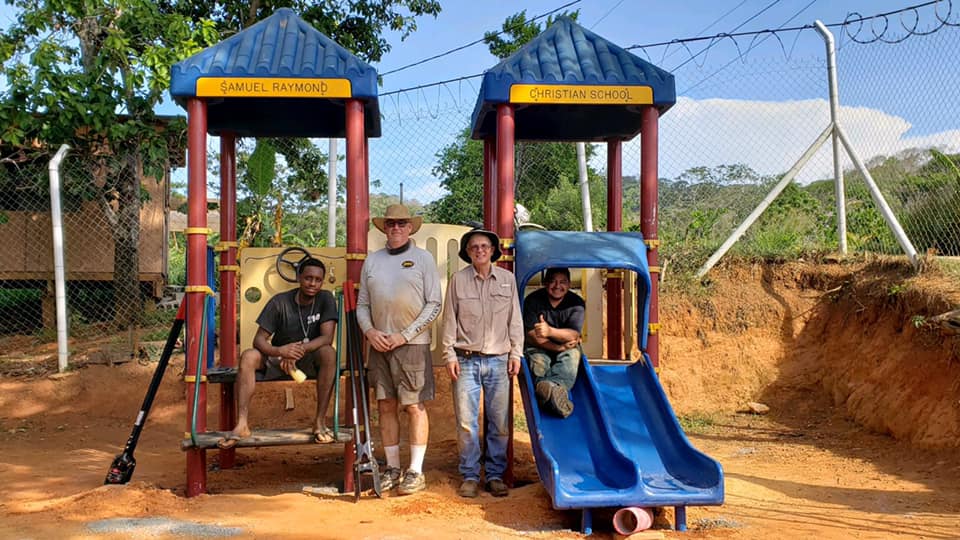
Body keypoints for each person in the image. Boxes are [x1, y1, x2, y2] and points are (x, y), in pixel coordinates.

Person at [357, 204, 442, 496]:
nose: (395, 228)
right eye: (391, 223)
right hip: (379, 345)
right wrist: (370, 332)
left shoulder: (423, 259)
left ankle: (415, 471)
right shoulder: (372, 261)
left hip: (413, 346)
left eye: (401, 223)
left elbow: (434, 304)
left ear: (410, 228)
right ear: (384, 228)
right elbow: (362, 304)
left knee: (414, 405)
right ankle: (392, 467)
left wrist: (404, 336)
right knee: (385, 405)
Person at [218, 258, 339, 449]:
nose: (312, 284)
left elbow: (326, 338)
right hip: (277, 358)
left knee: (329, 353)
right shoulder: (279, 302)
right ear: (299, 278)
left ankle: (319, 421)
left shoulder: (326, 299)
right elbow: (258, 340)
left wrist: (297, 351)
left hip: (307, 358)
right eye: (308, 278)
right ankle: (242, 423)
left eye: (317, 280)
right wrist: (280, 351)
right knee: (249, 356)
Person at [442, 228, 523, 499]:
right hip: (465, 361)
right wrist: (449, 355)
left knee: (499, 422)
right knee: (467, 422)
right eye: (474, 247)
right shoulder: (458, 280)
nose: (479, 250)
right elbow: (449, 321)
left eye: (484, 246)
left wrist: (515, 354)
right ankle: (469, 475)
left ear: (492, 250)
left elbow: (515, 320)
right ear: (467, 252)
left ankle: (496, 475)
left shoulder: (507, 280)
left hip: (499, 361)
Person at [522, 267, 585, 419]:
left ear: (569, 284)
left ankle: (549, 388)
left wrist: (550, 332)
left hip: (566, 347)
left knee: (573, 356)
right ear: (545, 283)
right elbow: (531, 336)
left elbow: (573, 334)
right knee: (539, 361)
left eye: (562, 282)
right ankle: (556, 397)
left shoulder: (576, 303)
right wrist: (557, 346)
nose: (557, 286)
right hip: (539, 347)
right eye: (552, 281)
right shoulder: (532, 300)